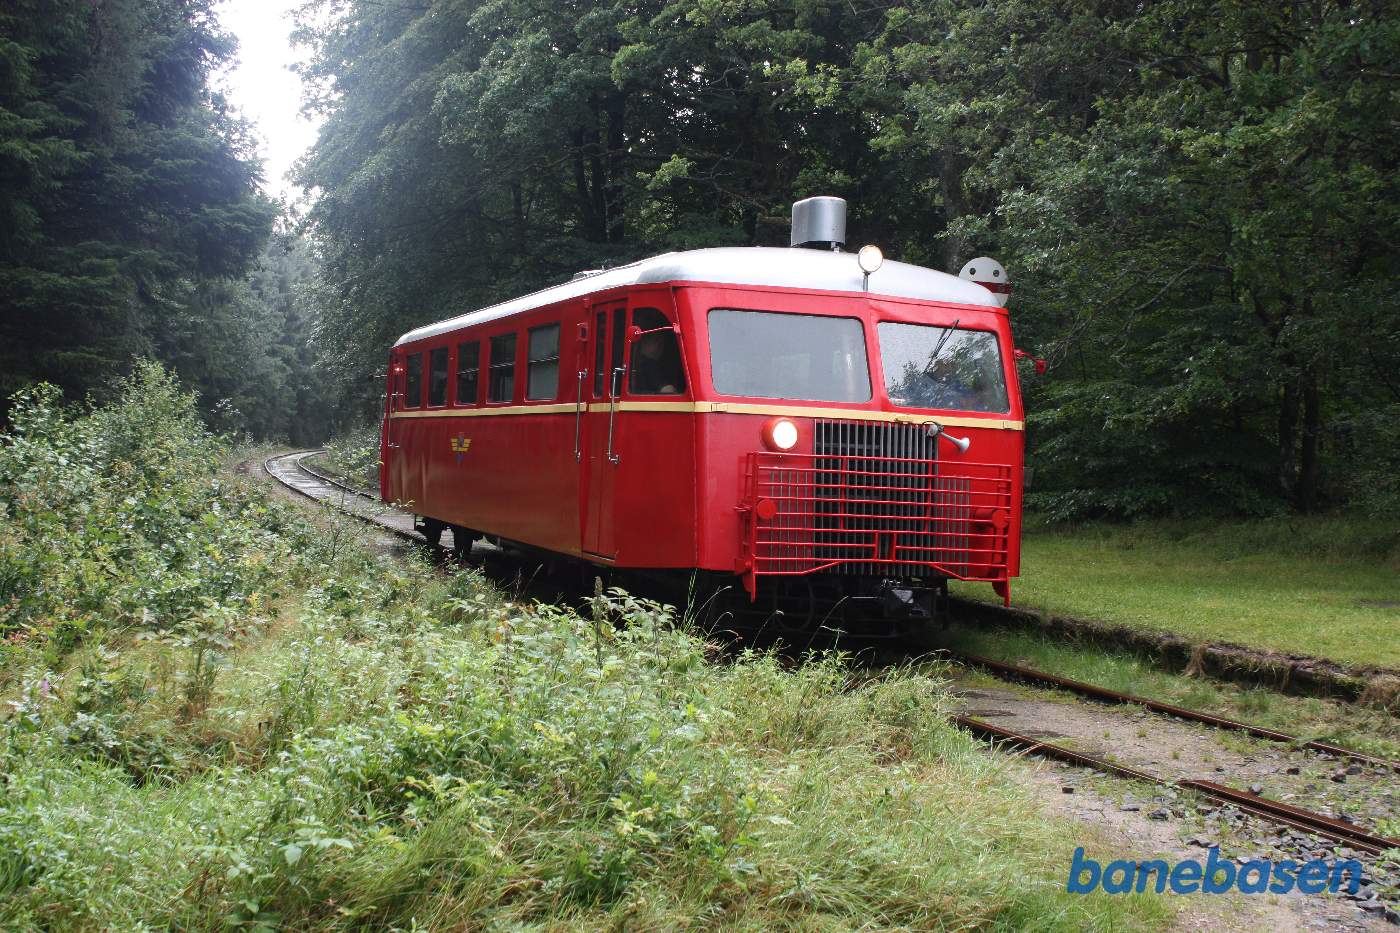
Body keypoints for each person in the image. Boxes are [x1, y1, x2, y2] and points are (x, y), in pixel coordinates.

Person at [629, 311, 686, 395]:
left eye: (661, 342)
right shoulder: (649, 364)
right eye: (656, 341)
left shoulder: (636, 362)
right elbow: (668, 390)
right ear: (644, 342)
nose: (660, 345)